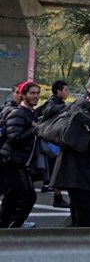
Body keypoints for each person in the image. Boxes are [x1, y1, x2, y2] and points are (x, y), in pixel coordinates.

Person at [52, 71, 90, 227]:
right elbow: (77, 140)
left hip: (87, 180)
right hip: (84, 180)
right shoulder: (84, 105)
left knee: (81, 225)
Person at [0, 81, 40, 228]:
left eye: (37, 93)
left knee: (12, 197)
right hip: (13, 162)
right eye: (32, 93)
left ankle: (4, 225)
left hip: (19, 161)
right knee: (29, 196)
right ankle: (15, 227)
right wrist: (33, 130)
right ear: (23, 95)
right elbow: (14, 138)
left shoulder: (30, 113)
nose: (35, 96)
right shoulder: (18, 113)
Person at [36, 79, 70, 208]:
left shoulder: (58, 102)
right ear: (58, 91)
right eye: (66, 90)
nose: (68, 92)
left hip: (53, 139)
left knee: (56, 168)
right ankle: (57, 197)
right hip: (50, 139)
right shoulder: (52, 102)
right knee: (56, 168)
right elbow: (49, 111)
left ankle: (56, 195)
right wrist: (68, 106)